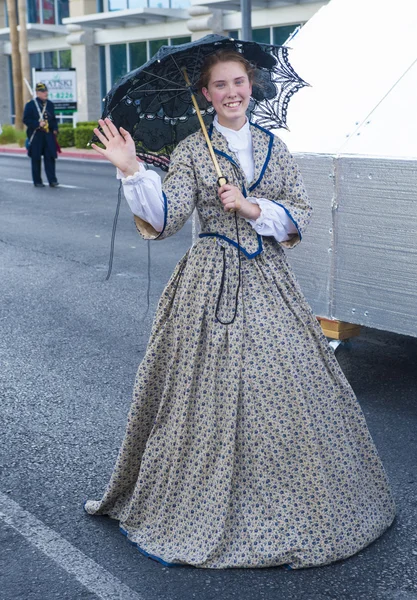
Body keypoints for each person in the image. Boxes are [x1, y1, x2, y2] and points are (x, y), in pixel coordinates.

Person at [85, 50, 395, 569]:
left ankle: (296, 501)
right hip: (210, 280)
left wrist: (253, 207)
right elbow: (166, 218)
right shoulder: (190, 150)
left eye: (239, 82)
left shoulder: (276, 147)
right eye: (220, 85)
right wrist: (133, 171)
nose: (232, 92)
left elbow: (300, 215)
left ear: (251, 86)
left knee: (286, 383)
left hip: (269, 280)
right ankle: (202, 500)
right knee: (207, 392)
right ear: (205, 94)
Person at [23, 82, 59, 188]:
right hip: (36, 135)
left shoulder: (50, 104)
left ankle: (52, 180)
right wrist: (37, 124)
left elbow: (53, 119)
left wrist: (55, 129)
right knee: (36, 158)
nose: (45, 93)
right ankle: (37, 181)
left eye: (46, 91)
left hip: (48, 135)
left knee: (50, 158)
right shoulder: (31, 105)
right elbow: (26, 120)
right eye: (43, 91)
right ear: (37, 93)